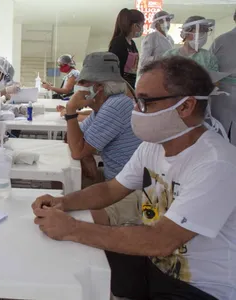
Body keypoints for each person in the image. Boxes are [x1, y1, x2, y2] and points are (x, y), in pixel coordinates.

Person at [32, 56, 236, 300]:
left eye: (145, 102)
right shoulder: (155, 145)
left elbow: (161, 240)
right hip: (154, 266)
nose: (135, 109)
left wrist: (72, 228)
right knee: (67, 268)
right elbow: (110, 190)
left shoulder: (216, 164)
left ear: (185, 106)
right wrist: (64, 202)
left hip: (199, 288)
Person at [63, 52, 142, 226]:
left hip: (128, 190)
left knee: (73, 214)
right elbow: (72, 138)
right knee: (66, 185)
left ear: (98, 87)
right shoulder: (104, 106)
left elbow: (76, 149)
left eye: (83, 83)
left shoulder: (115, 106)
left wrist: (70, 110)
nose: (78, 86)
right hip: (115, 181)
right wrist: (87, 155)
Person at [210, 9, 236, 145]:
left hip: (221, 98)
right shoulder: (222, 41)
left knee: (221, 138)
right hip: (223, 97)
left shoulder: (220, 41)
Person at [108, 8, 145, 88]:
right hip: (119, 86)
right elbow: (114, 69)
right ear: (135, 25)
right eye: (142, 25)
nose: (142, 29)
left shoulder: (132, 44)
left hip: (130, 85)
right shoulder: (118, 42)